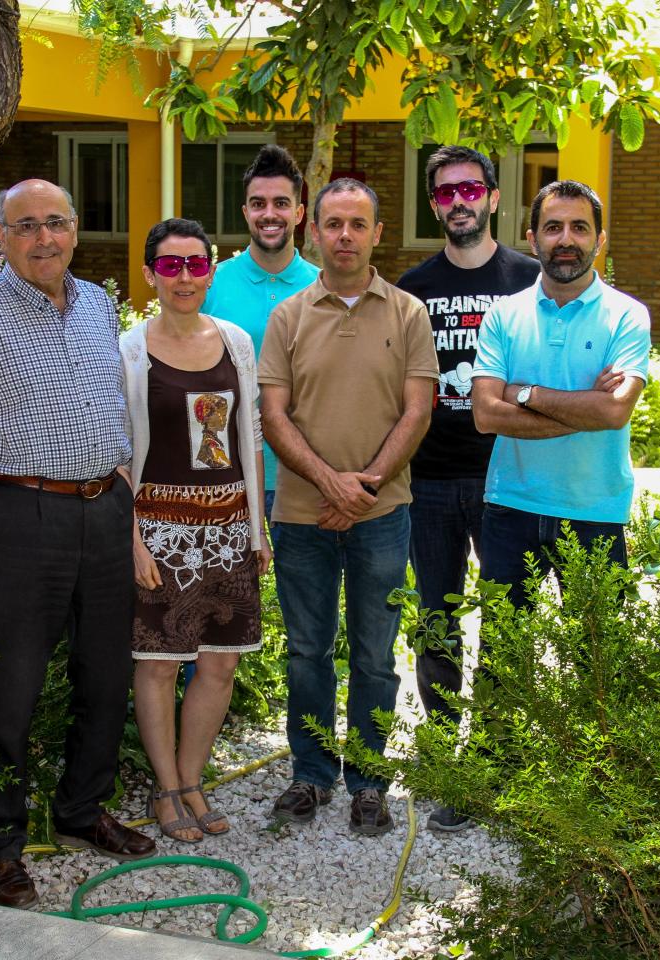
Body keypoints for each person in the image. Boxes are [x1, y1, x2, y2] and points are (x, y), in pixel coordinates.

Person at [0, 178, 155, 910]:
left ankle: (82, 810)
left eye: (55, 223)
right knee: (11, 688)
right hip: (19, 519)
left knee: (106, 676)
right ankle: (0, 844)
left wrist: (116, 488)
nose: (43, 237)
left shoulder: (96, 307)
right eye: (26, 226)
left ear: (76, 231)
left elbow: (112, 407)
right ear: (1, 236)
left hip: (104, 509)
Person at [258, 178, 439, 836]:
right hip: (302, 518)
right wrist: (329, 484)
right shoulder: (287, 318)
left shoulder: (408, 314)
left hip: (383, 517)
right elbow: (273, 416)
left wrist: (360, 487)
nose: (344, 236)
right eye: (332, 224)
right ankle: (310, 774)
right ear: (315, 232)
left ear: (376, 234)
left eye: (357, 225)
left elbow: (417, 411)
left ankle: (367, 780)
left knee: (373, 657)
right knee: (307, 652)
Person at [394, 145, 539, 833]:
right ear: (434, 205)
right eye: (446, 192)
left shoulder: (532, 280)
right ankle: (447, 755)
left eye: (470, 188)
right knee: (436, 619)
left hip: (511, 478)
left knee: (513, 618)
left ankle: (499, 757)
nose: (459, 201)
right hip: (431, 480)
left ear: (492, 196)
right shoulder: (411, 289)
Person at [120, 218, 272, 844]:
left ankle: (191, 779)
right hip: (159, 531)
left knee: (219, 666)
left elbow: (250, 440)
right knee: (157, 665)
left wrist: (257, 530)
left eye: (196, 263)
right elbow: (116, 450)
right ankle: (165, 787)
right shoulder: (127, 350)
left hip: (229, 527)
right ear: (152, 272)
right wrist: (130, 539)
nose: (184, 277)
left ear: (212, 269)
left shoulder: (236, 342)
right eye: (171, 264)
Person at [471, 179, 650, 612]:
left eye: (579, 228)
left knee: (597, 662)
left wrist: (525, 393)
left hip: (596, 509)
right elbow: (486, 416)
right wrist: (583, 409)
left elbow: (613, 411)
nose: (566, 240)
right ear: (532, 239)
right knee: (501, 658)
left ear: (600, 239)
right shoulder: (503, 315)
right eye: (553, 228)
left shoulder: (627, 316)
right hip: (511, 505)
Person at [202, 144, 320, 515]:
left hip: (304, 474)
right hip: (227, 471)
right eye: (258, 204)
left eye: (281, 203)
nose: (270, 214)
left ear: (299, 212)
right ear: (245, 212)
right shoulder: (210, 285)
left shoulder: (325, 289)